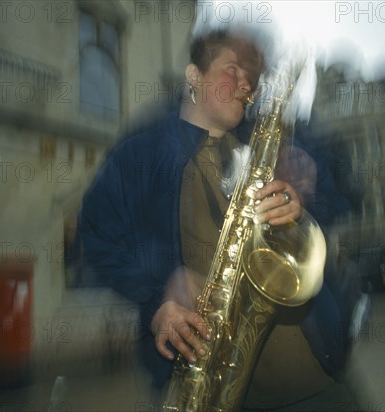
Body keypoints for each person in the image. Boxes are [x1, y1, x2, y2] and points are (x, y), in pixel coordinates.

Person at [78, 29, 352, 409]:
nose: (246, 85)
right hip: (218, 394)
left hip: (319, 380)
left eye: (251, 77)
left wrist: (299, 208)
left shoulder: (266, 152)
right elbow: (95, 234)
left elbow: (340, 201)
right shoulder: (141, 154)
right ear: (194, 75)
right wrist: (156, 297)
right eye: (233, 69)